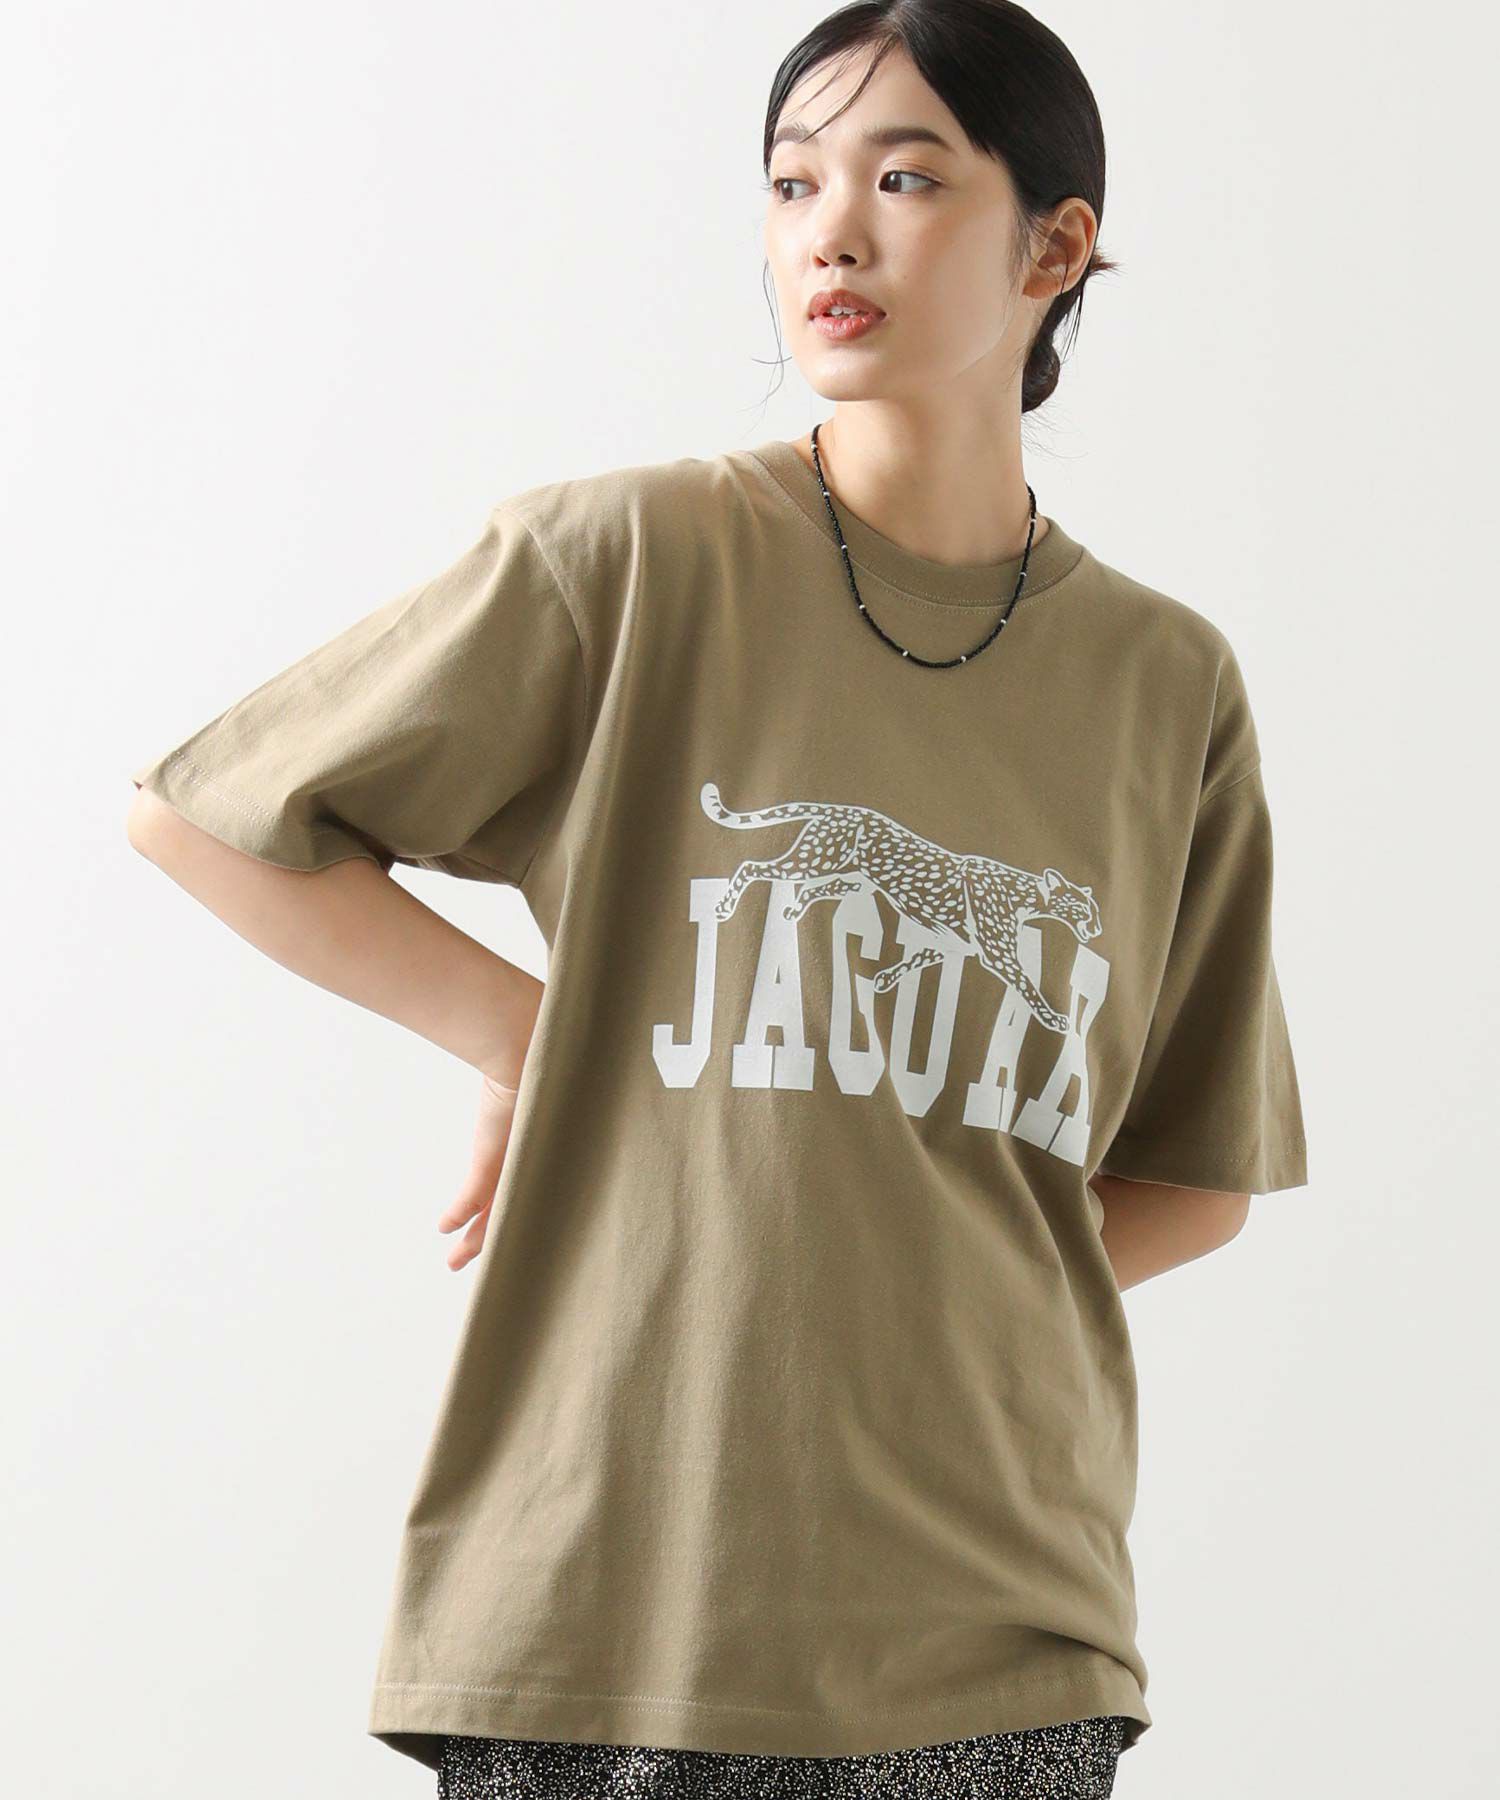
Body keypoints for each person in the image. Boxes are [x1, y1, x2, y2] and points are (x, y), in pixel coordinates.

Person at [125, 3, 1308, 1795]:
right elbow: (207, 821)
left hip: (999, 1637)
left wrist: (914, 1292)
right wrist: (539, 1038)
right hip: (606, 1617)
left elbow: (1193, 1174)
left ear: (1055, 246)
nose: (831, 233)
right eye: (792, 183)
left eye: (907, 179)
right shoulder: (632, 561)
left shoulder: (1165, 685)